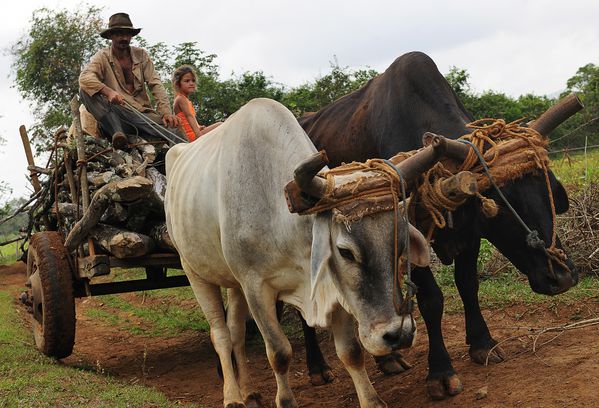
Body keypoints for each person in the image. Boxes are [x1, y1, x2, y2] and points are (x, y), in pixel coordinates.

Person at [79, 12, 183, 149]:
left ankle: (188, 158)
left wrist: (166, 112)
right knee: (84, 90)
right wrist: (109, 92)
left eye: (127, 34)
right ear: (110, 35)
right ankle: (117, 133)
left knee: (174, 126)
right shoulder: (102, 56)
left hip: (142, 116)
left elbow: (156, 84)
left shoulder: (141, 55)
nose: (124, 38)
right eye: (119, 34)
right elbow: (85, 78)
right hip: (116, 114)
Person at [172, 65, 222, 142]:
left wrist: (198, 127)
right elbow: (189, 116)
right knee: (220, 125)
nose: (191, 83)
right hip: (191, 136)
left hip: (194, 133)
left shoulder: (185, 99)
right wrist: (199, 134)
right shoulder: (180, 98)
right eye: (187, 81)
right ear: (178, 84)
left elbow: (188, 119)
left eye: (193, 80)